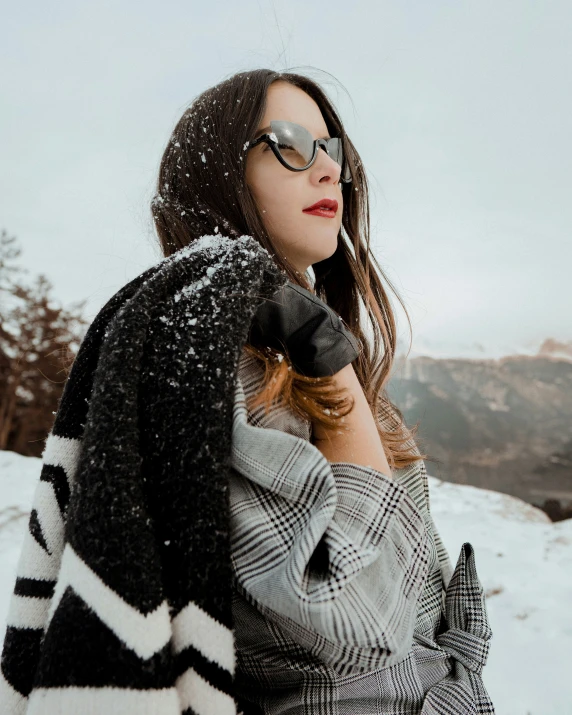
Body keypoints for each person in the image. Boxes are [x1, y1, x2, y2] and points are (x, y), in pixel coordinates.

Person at [0, 68, 495, 714]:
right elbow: (354, 617)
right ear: (219, 176)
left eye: (331, 148)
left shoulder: (294, 355)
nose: (326, 172)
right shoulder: (225, 371)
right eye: (289, 143)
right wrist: (333, 364)